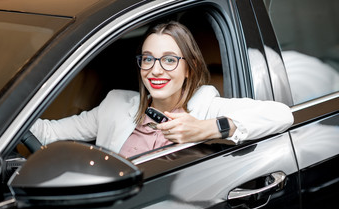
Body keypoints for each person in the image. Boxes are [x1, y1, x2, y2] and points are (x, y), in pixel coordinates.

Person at [31, 21, 294, 158]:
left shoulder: (208, 107)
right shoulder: (115, 104)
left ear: (189, 67)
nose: (155, 70)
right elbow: (50, 133)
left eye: (169, 60)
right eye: (148, 58)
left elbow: (282, 115)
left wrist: (204, 128)